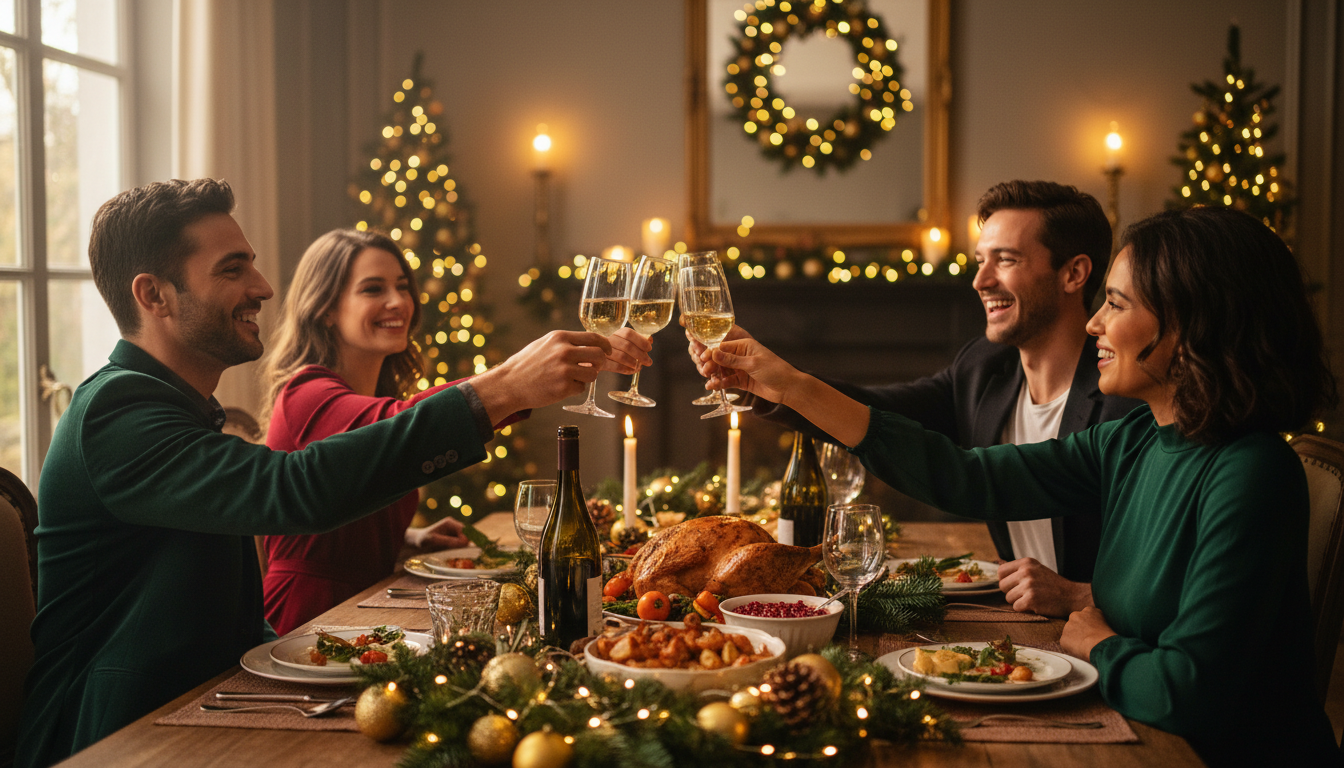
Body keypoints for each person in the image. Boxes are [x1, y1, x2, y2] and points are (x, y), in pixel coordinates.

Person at [15, 179, 632, 768]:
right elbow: (293, 489)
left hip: (203, 703)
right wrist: (496, 391)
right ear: (153, 295)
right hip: (115, 736)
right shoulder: (117, 412)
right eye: (232, 269)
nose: (262, 286)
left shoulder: (172, 408)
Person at [700, 206, 1339, 766]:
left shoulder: (1250, 473)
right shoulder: (1137, 439)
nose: (1094, 325)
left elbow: (1188, 693)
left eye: (1116, 304)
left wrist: (1101, 645)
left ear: (1189, 324)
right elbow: (967, 475)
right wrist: (789, 387)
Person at [689, 181, 1141, 616]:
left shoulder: (1126, 399)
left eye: (1005, 260)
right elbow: (880, 411)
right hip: (1018, 621)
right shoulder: (985, 367)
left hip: (1104, 636)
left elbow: (1169, 566)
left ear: (1074, 273)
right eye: (981, 260)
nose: (980, 280)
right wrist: (770, 385)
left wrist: (1084, 594)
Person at [255, 228, 648, 633]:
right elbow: (397, 427)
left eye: (403, 286)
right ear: (324, 309)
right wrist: (512, 383)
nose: (398, 301)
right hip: (308, 620)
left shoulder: (371, 395)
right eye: (373, 289)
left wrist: (411, 538)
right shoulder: (304, 392)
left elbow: (346, 488)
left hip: (368, 610)